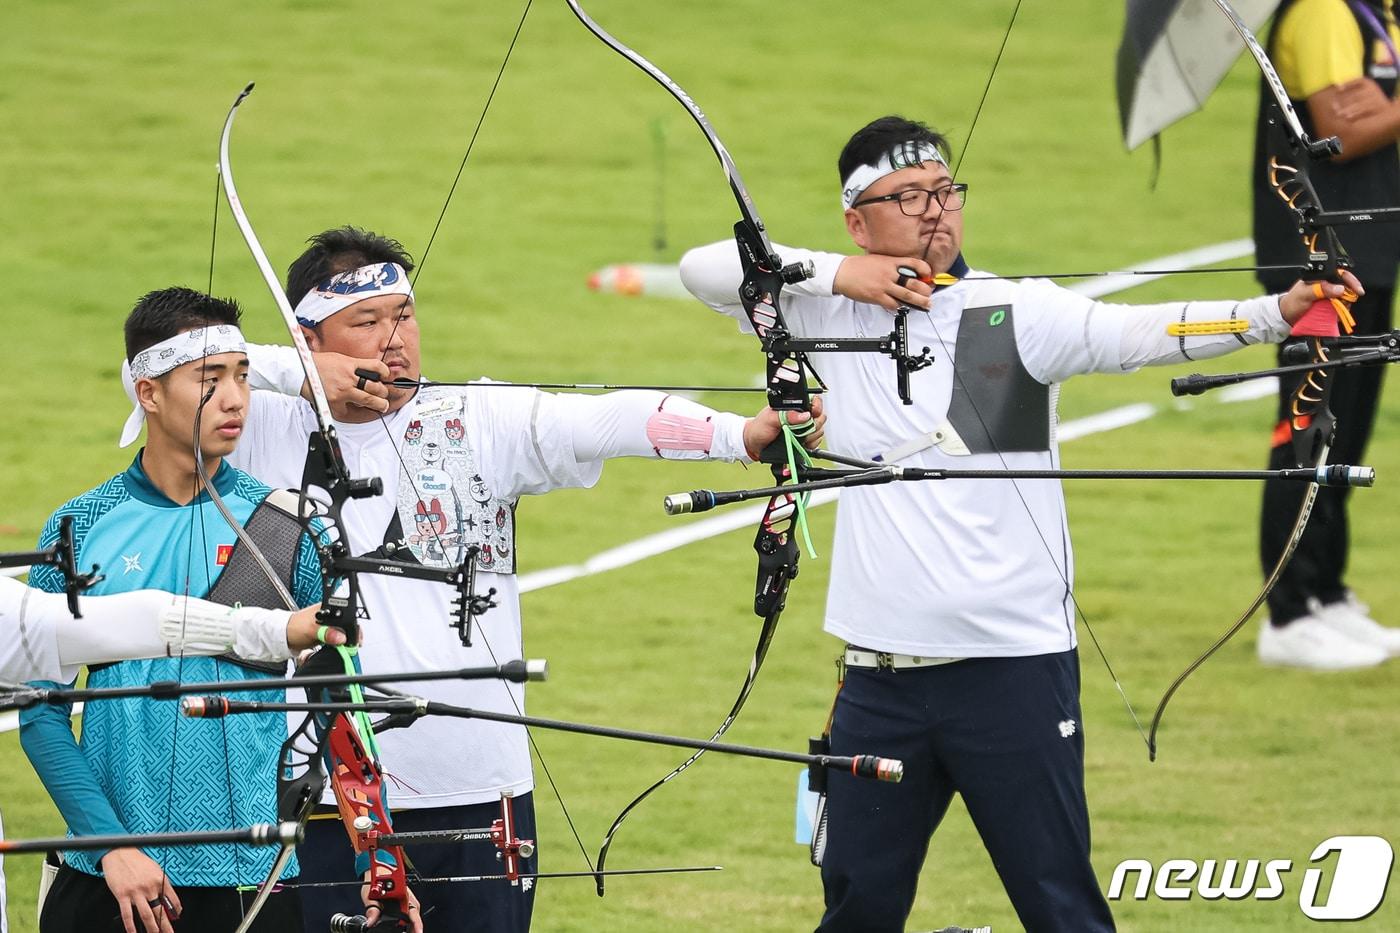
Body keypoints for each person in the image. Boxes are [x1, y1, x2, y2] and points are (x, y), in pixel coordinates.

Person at [677, 116, 1357, 932]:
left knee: (1062, 908)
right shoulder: (820, 311)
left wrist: (1280, 311)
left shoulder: (1014, 314)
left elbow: (1140, 333)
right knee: (857, 910)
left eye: (944, 191)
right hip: (877, 679)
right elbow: (703, 269)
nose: (935, 211)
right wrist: (840, 275)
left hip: (1012, 674)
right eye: (906, 197)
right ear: (857, 222)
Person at [226, 226, 825, 932]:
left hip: (478, 791)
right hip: (323, 795)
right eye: (366, 322)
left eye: (406, 316)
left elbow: (607, 418)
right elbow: (156, 364)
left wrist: (739, 436)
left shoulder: (475, 416)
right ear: (309, 335)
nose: (396, 340)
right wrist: (298, 376)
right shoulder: (254, 422)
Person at [21, 288, 331, 933]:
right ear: (149, 391)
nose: (235, 399)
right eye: (208, 379)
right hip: (110, 878)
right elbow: (38, 709)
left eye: (243, 377)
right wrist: (111, 848)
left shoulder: (287, 524)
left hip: (251, 871)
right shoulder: (80, 524)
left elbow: (342, 697)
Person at [1252, 0, 1400, 670]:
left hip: (1369, 256)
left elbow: (1377, 109)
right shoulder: (1320, 10)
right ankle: (1286, 612)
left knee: (1351, 426)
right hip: (1315, 263)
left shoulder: (1376, 16)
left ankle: (1328, 591)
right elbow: (1342, 126)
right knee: (1307, 423)